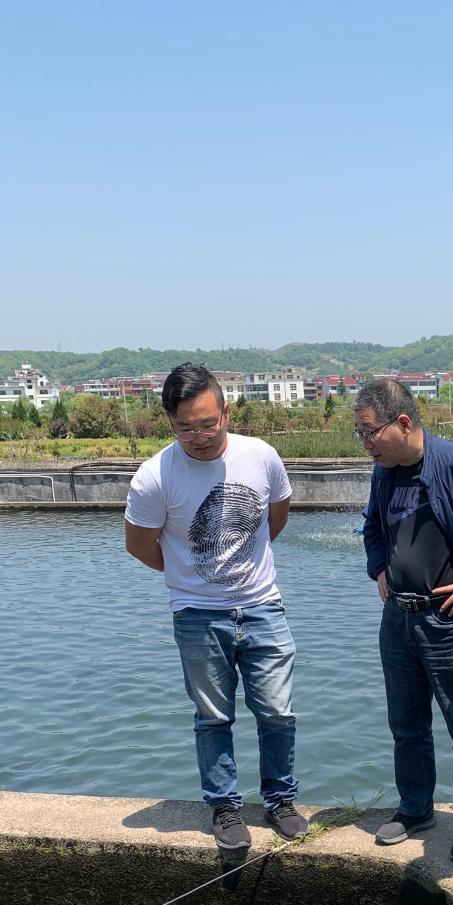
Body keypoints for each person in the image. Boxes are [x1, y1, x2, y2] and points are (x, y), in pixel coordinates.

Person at [124, 363, 308, 850]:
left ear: (226, 412)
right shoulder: (154, 477)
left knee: (278, 712)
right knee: (212, 717)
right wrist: (189, 577)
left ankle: (280, 800)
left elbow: (275, 518)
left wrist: (243, 567)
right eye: (185, 427)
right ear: (170, 421)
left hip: (263, 605)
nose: (199, 437)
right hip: (197, 615)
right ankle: (225, 806)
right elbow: (139, 546)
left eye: (208, 423)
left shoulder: (261, 456)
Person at [359, 378, 453, 860]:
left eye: (370, 432)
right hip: (398, 618)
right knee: (406, 724)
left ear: (403, 422)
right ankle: (415, 807)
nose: (365, 443)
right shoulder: (384, 472)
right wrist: (379, 568)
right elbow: (372, 527)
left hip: (448, 621)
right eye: (360, 434)